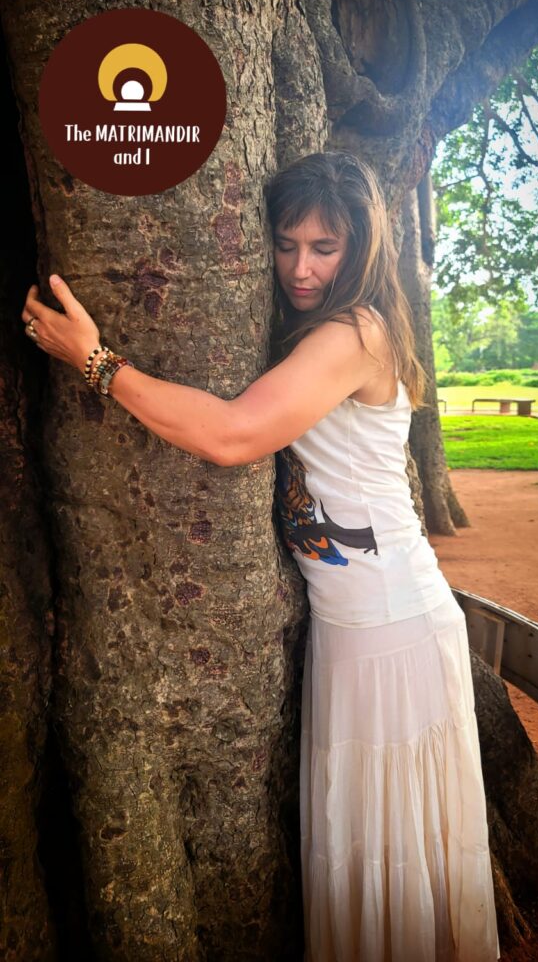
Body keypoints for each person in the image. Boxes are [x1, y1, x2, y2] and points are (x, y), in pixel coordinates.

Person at [21, 151, 500, 962]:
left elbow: (232, 435)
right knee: (368, 847)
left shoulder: (354, 333)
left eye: (324, 248)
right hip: (357, 622)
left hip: (390, 626)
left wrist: (94, 359)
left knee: (389, 855)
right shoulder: (321, 330)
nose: (300, 268)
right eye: (285, 244)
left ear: (362, 250)